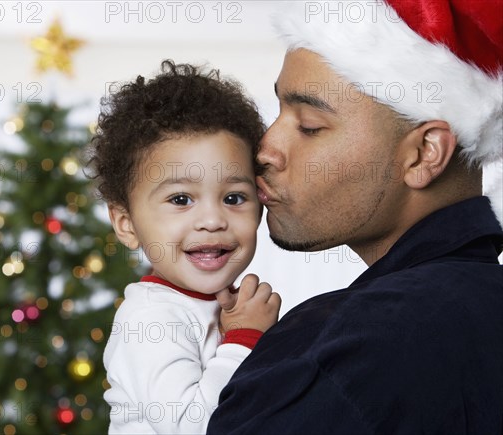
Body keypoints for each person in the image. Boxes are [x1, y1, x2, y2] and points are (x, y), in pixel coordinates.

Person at [208, 0, 503, 433]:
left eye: (309, 125)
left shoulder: (340, 347)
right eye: (278, 113)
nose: (265, 150)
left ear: (424, 154)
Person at [88, 60, 281, 434]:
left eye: (234, 197)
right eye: (180, 199)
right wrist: (243, 338)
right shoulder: (148, 319)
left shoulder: (221, 307)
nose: (212, 219)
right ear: (127, 224)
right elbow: (192, 426)